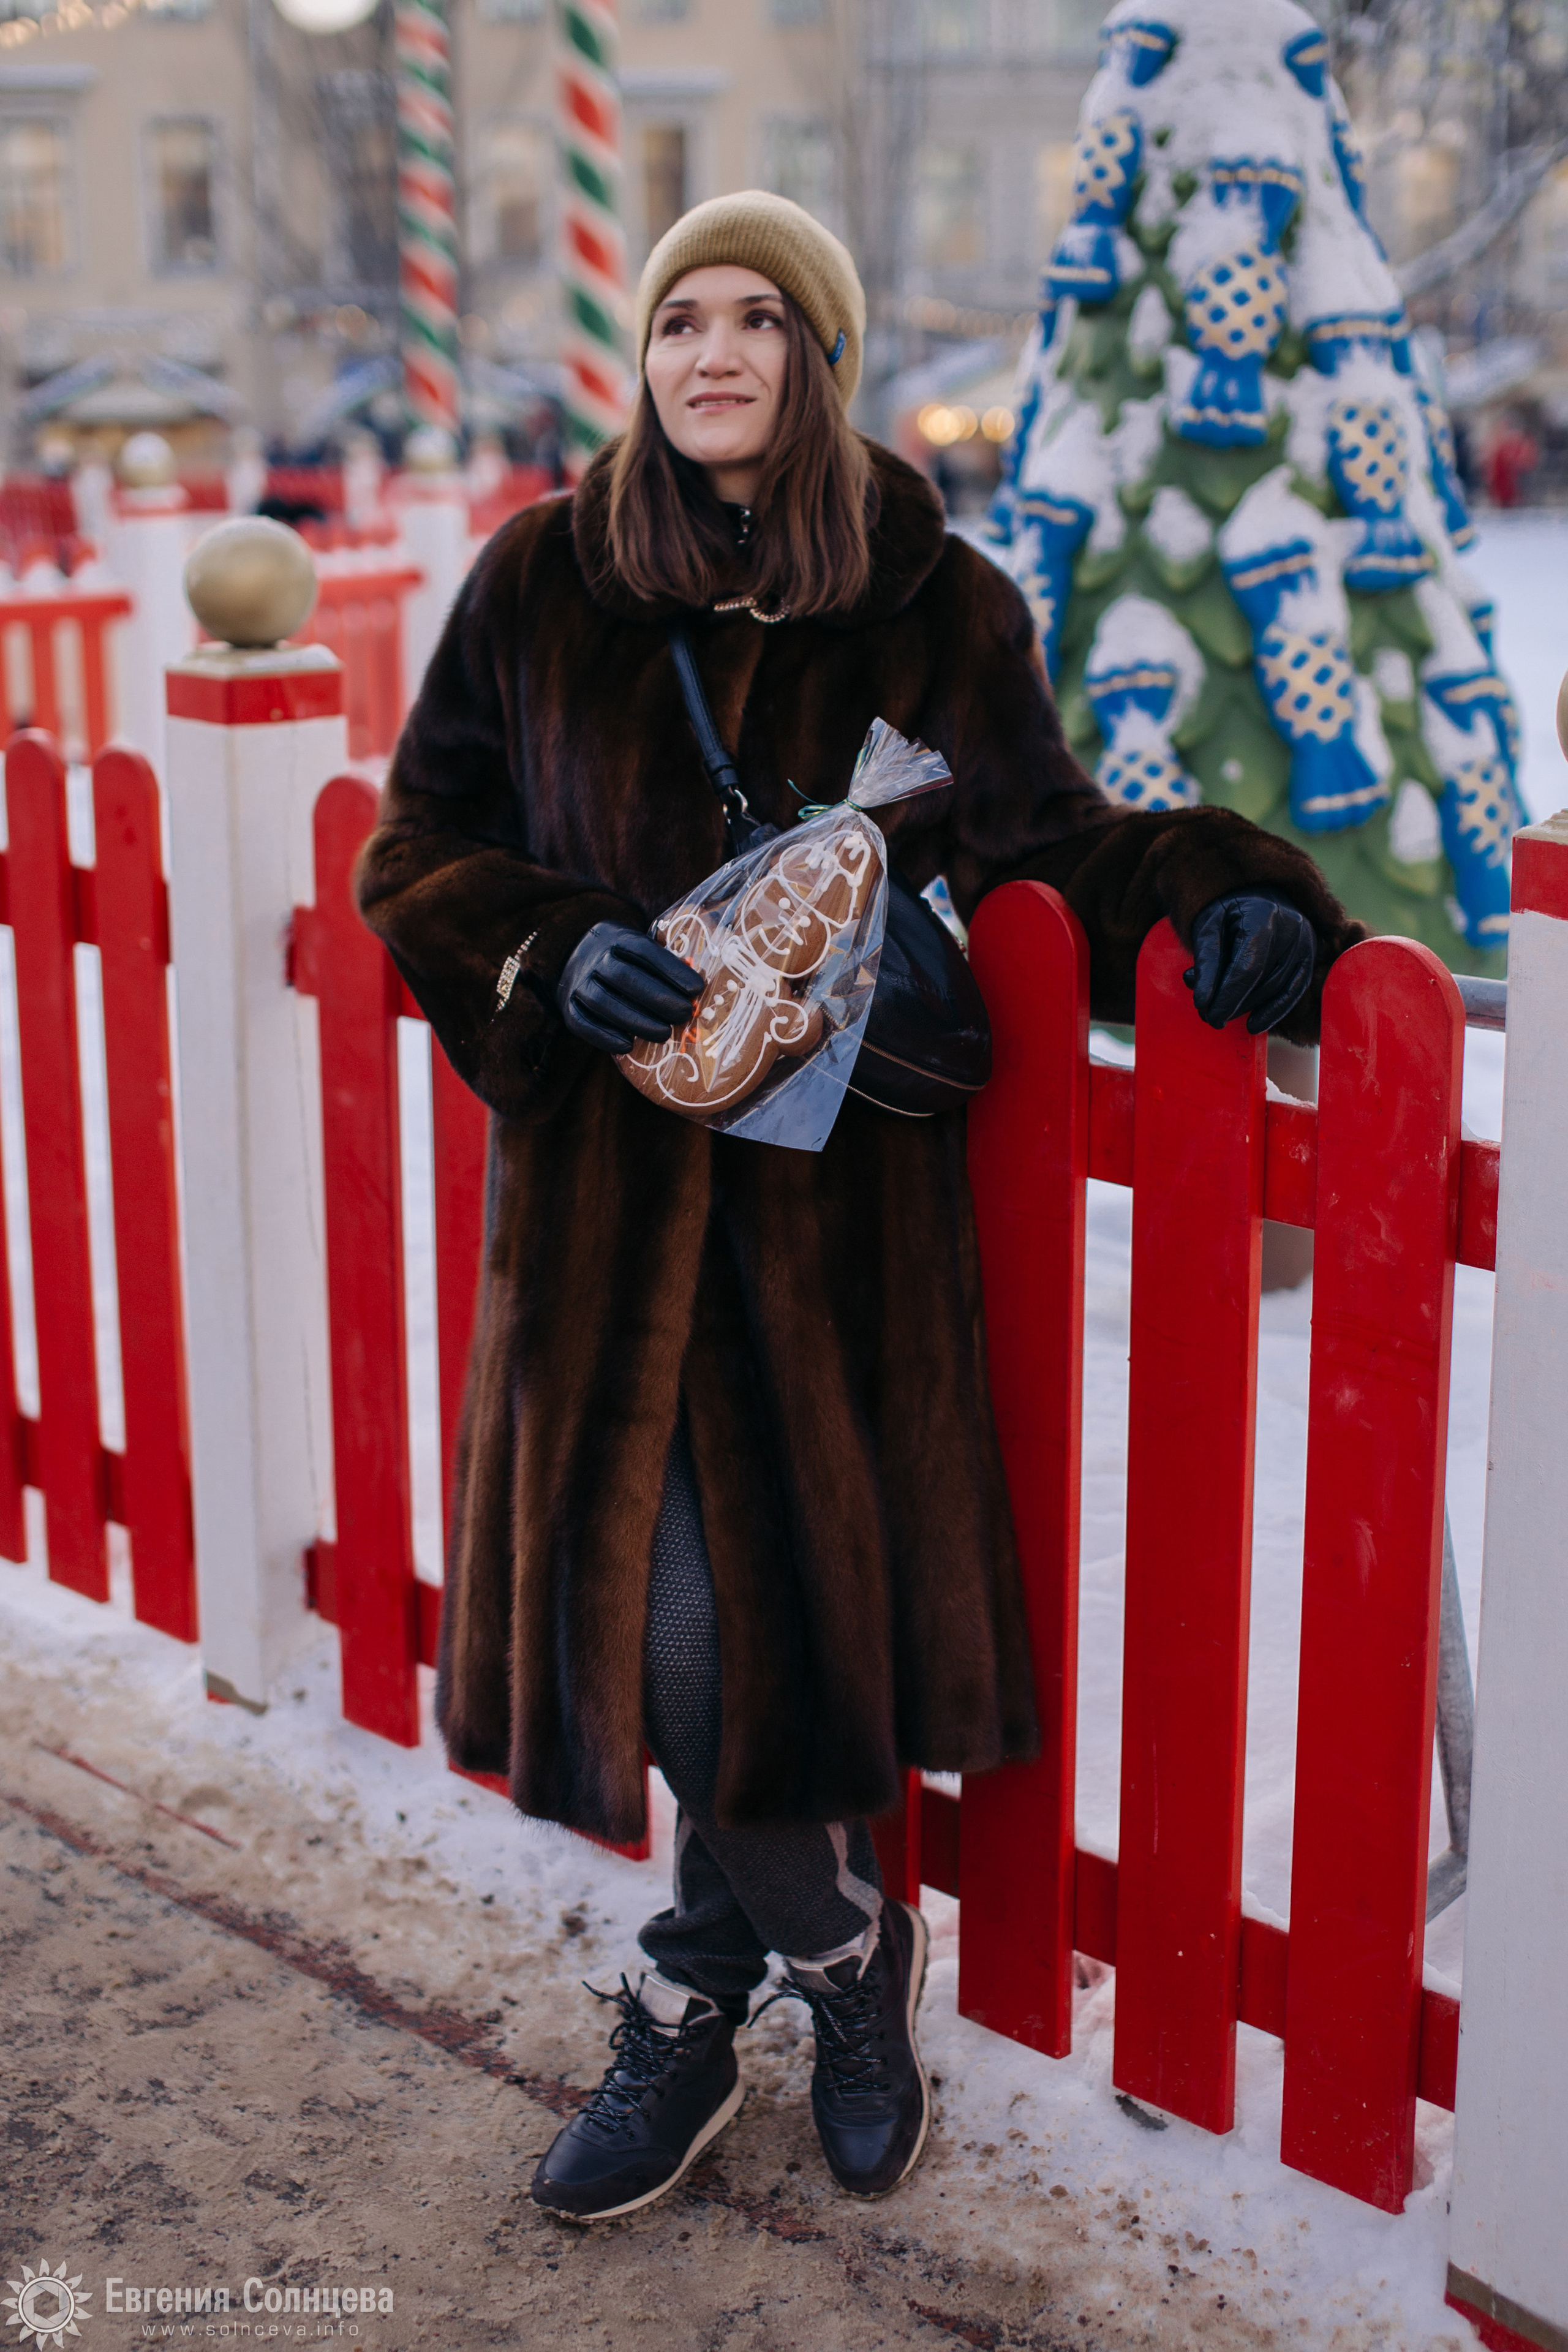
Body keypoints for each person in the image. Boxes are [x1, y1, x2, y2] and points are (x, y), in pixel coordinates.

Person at [355, 192, 1362, 2225]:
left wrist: (1235, 892)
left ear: (820, 353)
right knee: (665, 1638)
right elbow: (414, 850)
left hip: (827, 1253)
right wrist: (549, 952)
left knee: (751, 1651)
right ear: (643, 358)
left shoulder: (938, 601)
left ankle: (684, 1995)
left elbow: (1048, 848)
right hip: (609, 1233)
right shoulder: (544, 580)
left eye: (759, 321)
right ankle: (841, 1956)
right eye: (679, 322)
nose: (711, 354)